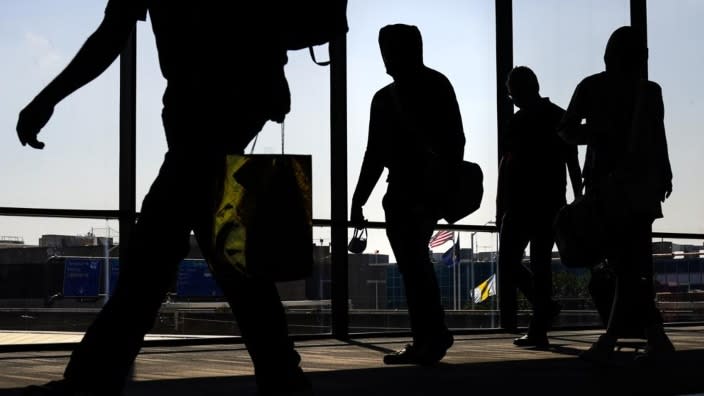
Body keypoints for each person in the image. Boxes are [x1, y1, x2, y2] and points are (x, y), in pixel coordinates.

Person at [17, 2, 315, 395]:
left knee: (153, 265)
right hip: (232, 111)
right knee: (226, 262)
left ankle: (90, 382)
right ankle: (283, 377)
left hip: (198, 120)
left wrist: (49, 97)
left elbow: (111, 35)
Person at [558, 26, 674, 363]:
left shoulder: (591, 86)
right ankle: (640, 337)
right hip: (641, 190)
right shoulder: (649, 91)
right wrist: (664, 175)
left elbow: (566, 130)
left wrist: (595, 133)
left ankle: (625, 338)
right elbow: (658, 138)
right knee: (632, 267)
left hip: (606, 190)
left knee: (624, 267)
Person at [350, 24, 465, 365]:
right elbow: (456, 141)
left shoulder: (384, 99)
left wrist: (358, 199)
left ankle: (428, 337)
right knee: (418, 267)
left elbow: (375, 155)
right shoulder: (439, 85)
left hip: (401, 191)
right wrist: (443, 183)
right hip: (427, 192)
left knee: (413, 268)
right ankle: (430, 335)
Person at [496, 66, 582, 347]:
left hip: (520, 203)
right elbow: (572, 160)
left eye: (511, 92)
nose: (510, 97)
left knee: (509, 263)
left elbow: (506, 167)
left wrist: (500, 206)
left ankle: (542, 311)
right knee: (540, 262)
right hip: (550, 201)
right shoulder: (557, 115)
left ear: (517, 90)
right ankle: (540, 319)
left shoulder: (516, 122)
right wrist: (578, 196)